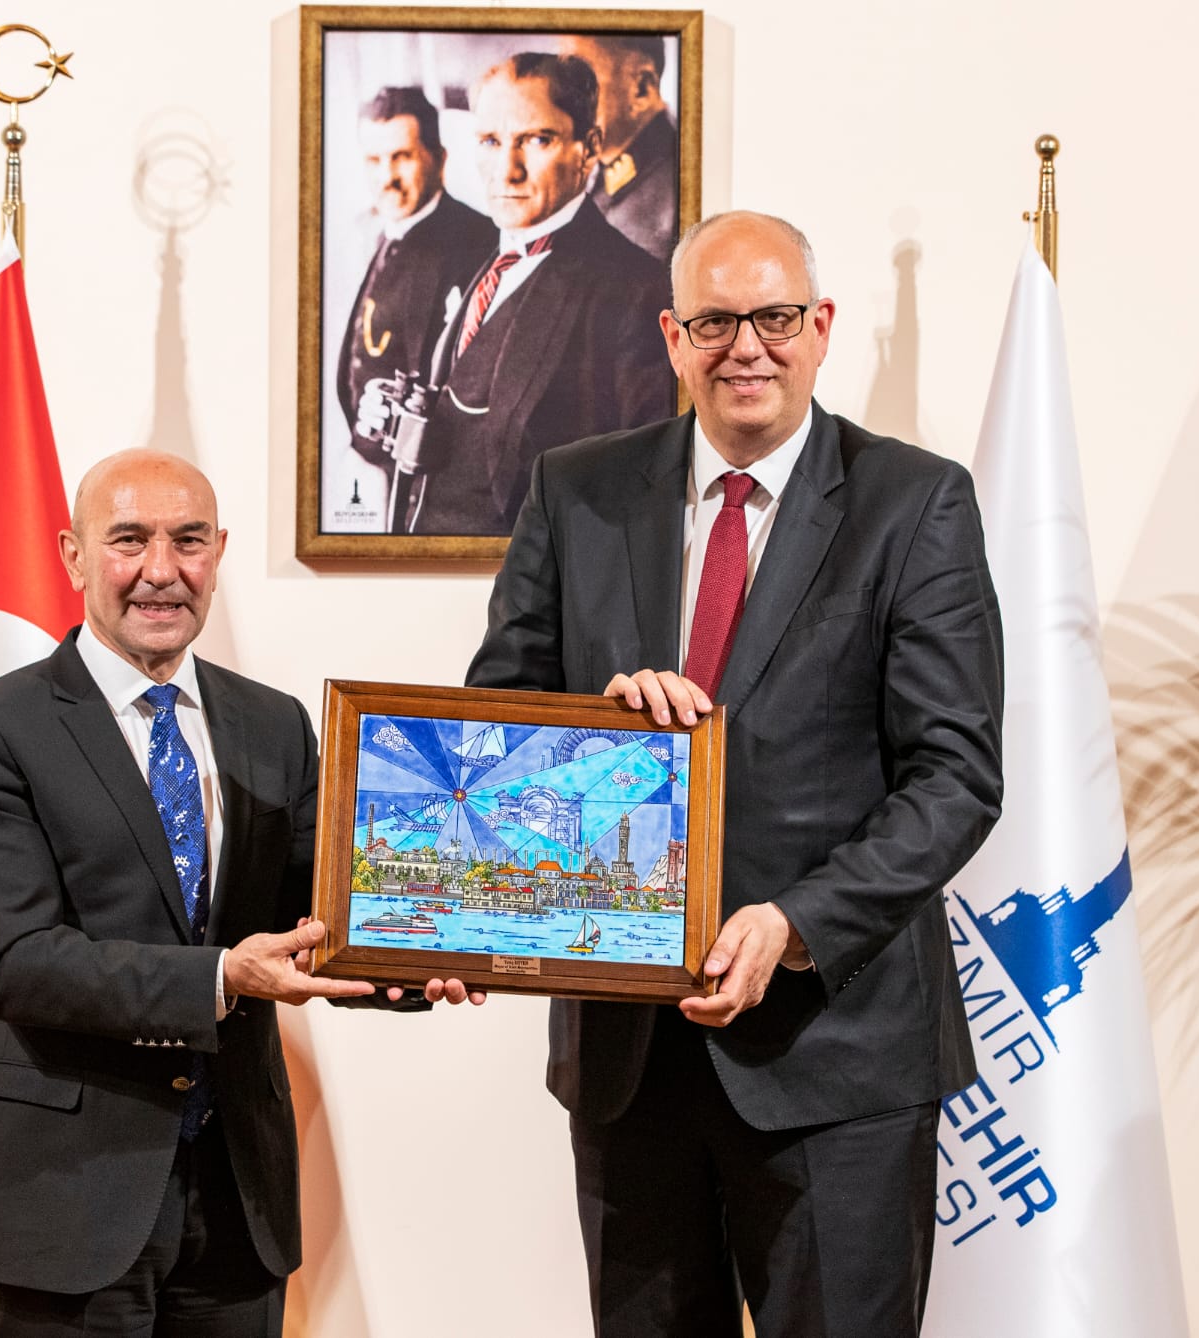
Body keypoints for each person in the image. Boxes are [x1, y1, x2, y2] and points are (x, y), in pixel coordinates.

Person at [464, 212, 1004, 1337]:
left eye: (774, 317)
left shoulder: (915, 502)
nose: (745, 346)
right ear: (672, 336)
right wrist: (595, 732)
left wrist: (796, 924)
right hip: (628, 1060)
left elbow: (954, 775)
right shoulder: (575, 489)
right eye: (714, 322)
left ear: (821, 327)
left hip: (837, 1059)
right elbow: (493, 736)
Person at [0, 449, 475, 1337]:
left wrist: (423, 953)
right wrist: (223, 977)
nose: (161, 570)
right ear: (72, 555)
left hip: (237, 1203)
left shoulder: (274, 723)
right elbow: (18, 963)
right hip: (65, 1200)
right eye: (128, 540)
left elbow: (321, 916)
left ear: (217, 552)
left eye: (187, 541)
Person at [361, 52, 671, 537]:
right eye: (490, 141)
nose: (507, 171)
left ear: (588, 148)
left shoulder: (636, 290)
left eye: (537, 140)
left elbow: (649, 491)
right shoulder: (477, 253)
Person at [336, 86, 494, 476]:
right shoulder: (380, 232)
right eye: (374, 160)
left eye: (402, 157)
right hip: (377, 467)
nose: (386, 177)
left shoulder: (477, 244)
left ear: (439, 159)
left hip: (430, 479)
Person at [557, 34, 678, 262]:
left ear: (641, 89)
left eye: (580, 81)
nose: (561, 100)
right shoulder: (603, 171)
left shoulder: (678, 182)